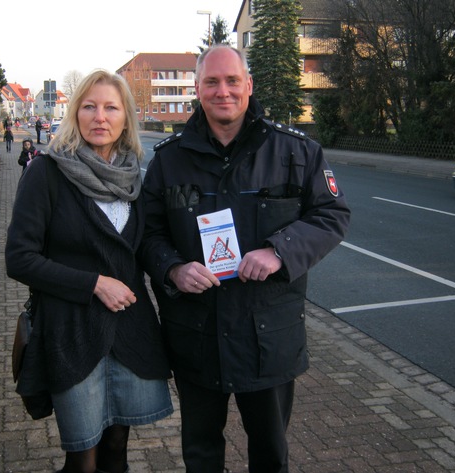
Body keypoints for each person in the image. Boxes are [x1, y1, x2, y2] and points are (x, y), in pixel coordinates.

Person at [140, 45, 351, 473]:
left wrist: (280, 251)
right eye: (212, 82)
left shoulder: (295, 152)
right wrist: (173, 268)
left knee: (270, 453)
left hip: (267, 336)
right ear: (197, 88)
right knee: (200, 453)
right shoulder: (168, 160)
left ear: (249, 86)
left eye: (233, 81)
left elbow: (332, 215)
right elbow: (147, 233)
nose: (223, 91)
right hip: (196, 335)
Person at [5, 69, 173, 473]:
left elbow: (147, 247)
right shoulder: (46, 173)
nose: (100, 116)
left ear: (125, 118)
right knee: (82, 455)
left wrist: (178, 270)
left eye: (111, 107)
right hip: (72, 332)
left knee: (117, 447)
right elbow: (19, 258)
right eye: (90, 106)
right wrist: (94, 283)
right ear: (75, 113)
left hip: (129, 331)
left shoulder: (135, 179)